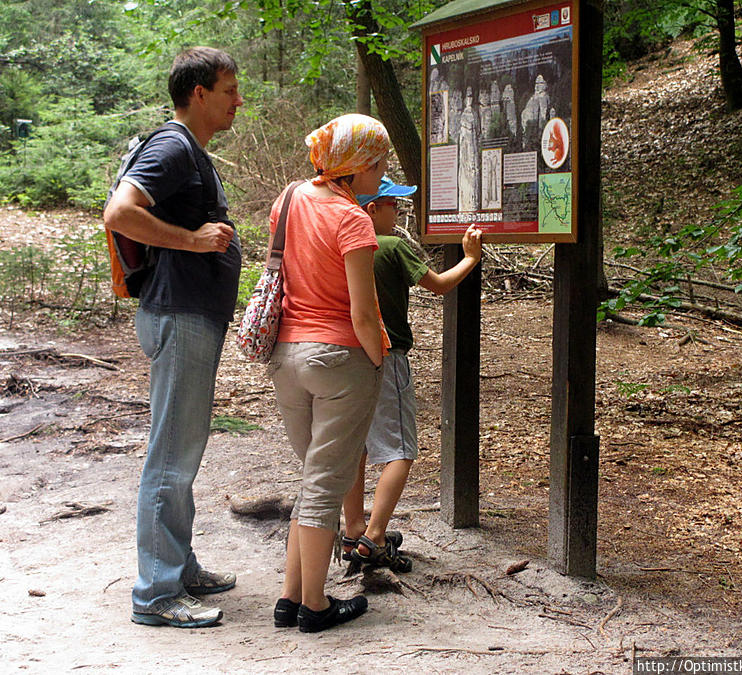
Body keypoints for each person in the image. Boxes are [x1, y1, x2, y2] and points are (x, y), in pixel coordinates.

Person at [103, 47, 244, 629]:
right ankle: (157, 593)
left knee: (183, 450)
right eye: (230, 89)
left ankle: (179, 567)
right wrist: (190, 242)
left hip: (190, 316)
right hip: (179, 314)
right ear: (199, 92)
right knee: (171, 455)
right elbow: (121, 212)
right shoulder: (173, 146)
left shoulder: (193, 153)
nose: (239, 100)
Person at [268, 114, 391, 633]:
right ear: (357, 165)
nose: (382, 173)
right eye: (378, 162)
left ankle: (290, 596)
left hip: (287, 356)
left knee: (312, 480)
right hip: (339, 359)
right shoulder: (353, 219)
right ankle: (316, 607)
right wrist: (379, 360)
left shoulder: (290, 198)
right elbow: (364, 314)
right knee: (323, 487)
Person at [342, 177, 483, 571]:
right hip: (388, 355)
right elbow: (437, 285)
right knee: (401, 450)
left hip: (349, 356)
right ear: (373, 209)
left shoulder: (342, 243)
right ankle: (374, 537)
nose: (399, 214)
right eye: (394, 207)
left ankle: (352, 528)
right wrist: (470, 258)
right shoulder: (391, 245)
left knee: (356, 445)